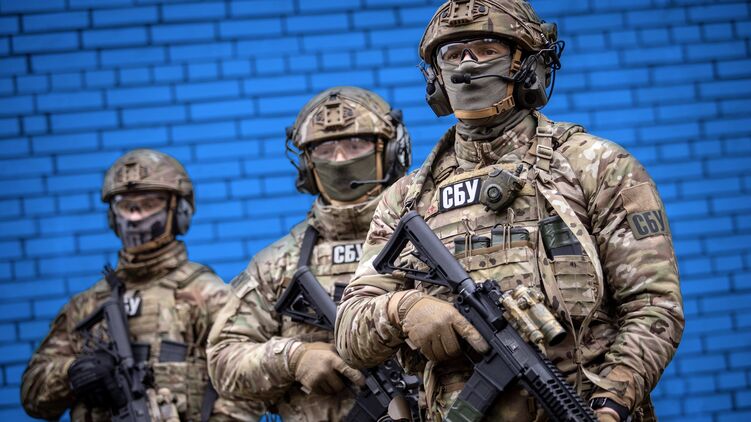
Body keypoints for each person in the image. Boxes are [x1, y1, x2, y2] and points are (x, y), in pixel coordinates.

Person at [334, 2, 685, 422]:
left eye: (486, 49)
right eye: (452, 54)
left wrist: (611, 404)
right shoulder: (406, 198)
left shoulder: (597, 167)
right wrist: (403, 309)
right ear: (436, 78)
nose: (467, 65)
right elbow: (349, 328)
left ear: (528, 65)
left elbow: (653, 307)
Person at [207, 86, 412, 421]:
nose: (341, 160)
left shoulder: (427, 239)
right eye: (325, 149)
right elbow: (223, 360)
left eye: (356, 144)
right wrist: (293, 358)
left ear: (388, 152)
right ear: (307, 164)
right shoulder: (276, 264)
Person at [21, 149, 257, 421]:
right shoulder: (87, 305)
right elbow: (33, 398)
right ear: (112, 217)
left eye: (149, 204)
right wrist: (72, 373)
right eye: (126, 206)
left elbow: (248, 389)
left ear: (179, 211)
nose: (135, 217)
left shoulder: (208, 295)